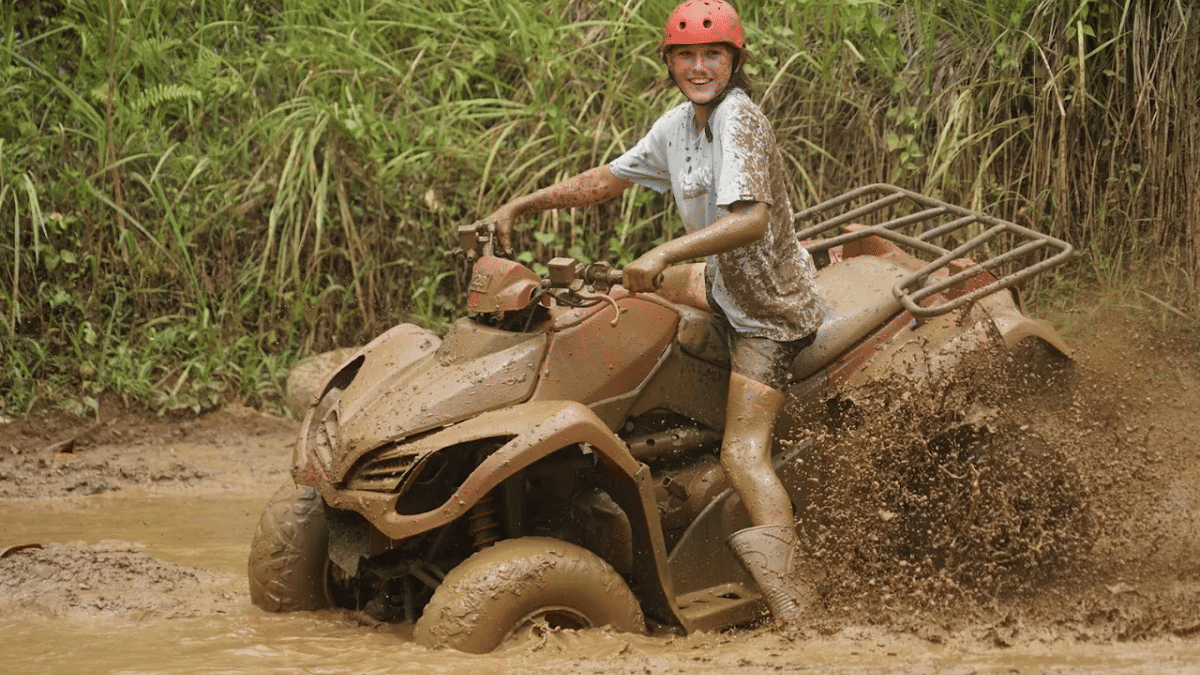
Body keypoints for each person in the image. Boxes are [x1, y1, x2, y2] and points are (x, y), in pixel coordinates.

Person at [476, 0, 823, 627]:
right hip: (719, 283)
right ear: (668, 62)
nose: (698, 66)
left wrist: (662, 250)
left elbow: (752, 220)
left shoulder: (739, 119)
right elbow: (606, 180)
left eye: (711, 54)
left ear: (734, 60)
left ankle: (798, 609)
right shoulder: (679, 125)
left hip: (767, 308)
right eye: (684, 55)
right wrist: (520, 206)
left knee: (744, 455)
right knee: (626, 302)